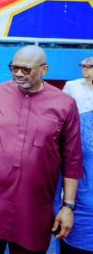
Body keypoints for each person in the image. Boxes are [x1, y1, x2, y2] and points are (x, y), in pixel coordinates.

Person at [0, 45, 83, 254]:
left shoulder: (65, 104)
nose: (18, 74)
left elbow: (72, 158)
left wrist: (68, 206)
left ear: (44, 70)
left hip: (32, 206)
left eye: (25, 69)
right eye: (14, 68)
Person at [60, 57, 93, 254]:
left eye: (89, 67)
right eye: (83, 66)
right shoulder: (73, 86)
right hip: (77, 138)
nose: (85, 70)